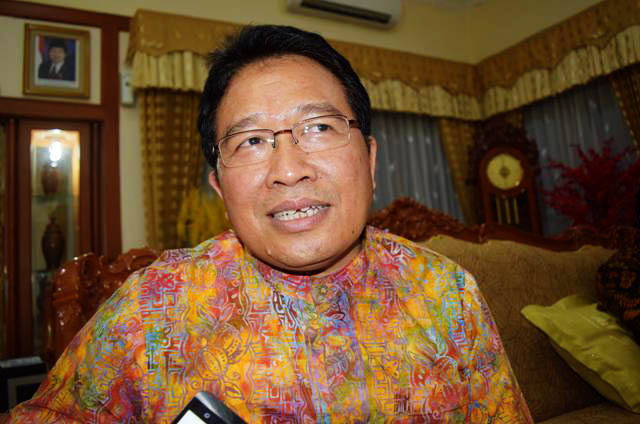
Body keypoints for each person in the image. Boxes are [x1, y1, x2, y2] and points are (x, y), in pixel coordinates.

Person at [9, 25, 532, 423]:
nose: (288, 169)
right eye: (252, 141)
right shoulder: (154, 306)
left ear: (370, 161)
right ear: (219, 187)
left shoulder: (446, 294)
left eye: (319, 127)